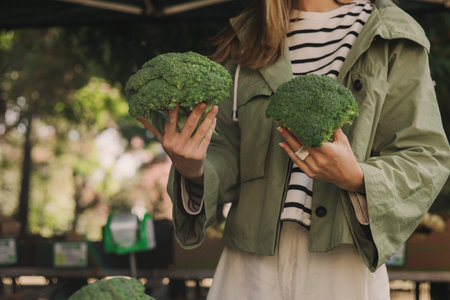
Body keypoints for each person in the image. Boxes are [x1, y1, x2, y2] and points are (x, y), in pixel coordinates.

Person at [138, 0, 450, 298]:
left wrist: (356, 177)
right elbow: (226, 151)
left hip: (343, 260)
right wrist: (193, 168)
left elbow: (425, 156)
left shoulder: (392, 34)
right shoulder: (246, 36)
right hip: (248, 263)